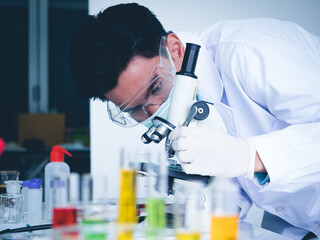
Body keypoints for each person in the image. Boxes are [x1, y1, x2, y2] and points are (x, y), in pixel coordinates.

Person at [69, 3, 320, 239]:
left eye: (156, 87)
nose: (155, 112)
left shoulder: (254, 53)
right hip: (294, 225)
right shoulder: (184, 100)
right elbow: (231, 196)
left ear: (175, 49)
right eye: (137, 109)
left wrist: (249, 156)